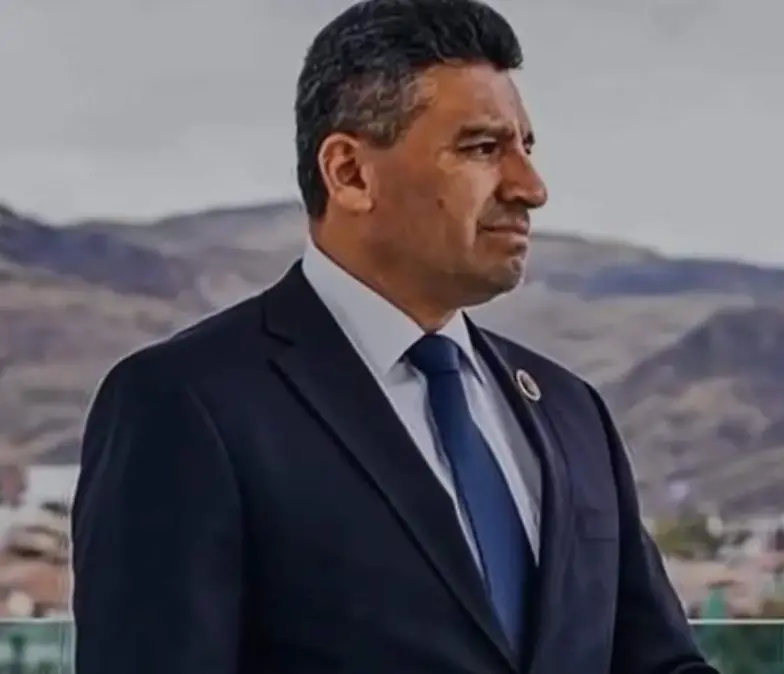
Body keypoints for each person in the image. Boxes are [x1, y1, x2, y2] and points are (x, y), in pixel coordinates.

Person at [70, 1, 718, 672]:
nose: (531, 188)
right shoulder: (185, 403)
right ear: (349, 173)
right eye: (482, 148)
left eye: (525, 148)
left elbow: (656, 663)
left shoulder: (571, 410)